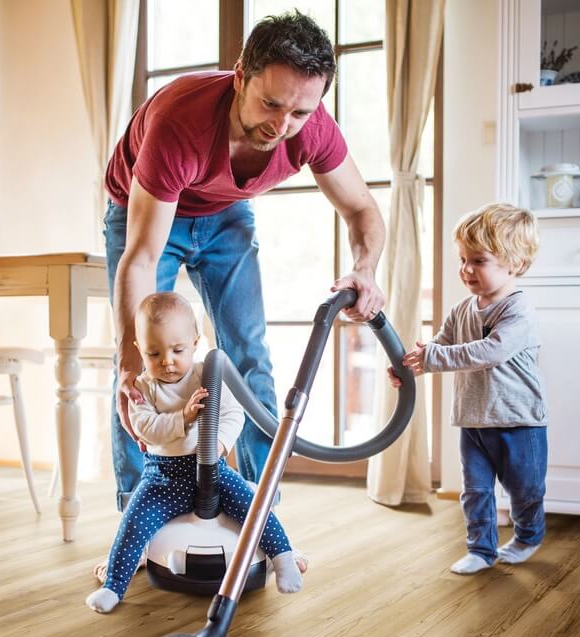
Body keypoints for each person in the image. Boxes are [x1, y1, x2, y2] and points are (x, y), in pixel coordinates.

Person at [104, 10, 386, 506]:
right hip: (145, 215)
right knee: (139, 365)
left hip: (226, 214)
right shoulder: (179, 121)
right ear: (240, 77)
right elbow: (142, 257)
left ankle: (261, 510)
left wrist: (365, 269)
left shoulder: (312, 128)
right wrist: (129, 360)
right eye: (270, 104)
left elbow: (362, 209)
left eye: (299, 113)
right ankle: (138, 511)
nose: (282, 126)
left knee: (250, 357)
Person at [87, 293, 306, 613]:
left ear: (195, 342)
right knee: (133, 522)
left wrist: (218, 444)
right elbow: (145, 428)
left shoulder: (208, 373)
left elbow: (234, 414)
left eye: (178, 350)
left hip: (212, 471)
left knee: (253, 506)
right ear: (139, 350)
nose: (167, 361)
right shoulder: (143, 387)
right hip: (162, 476)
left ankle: (283, 558)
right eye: (153, 352)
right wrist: (183, 418)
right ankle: (114, 587)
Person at [390, 203, 548, 575]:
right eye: (463, 259)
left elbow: (491, 351)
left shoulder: (518, 310)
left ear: (515, 263)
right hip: (473, 420)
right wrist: (411, 366)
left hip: (518, 422)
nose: (466, 269)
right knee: (475, 491)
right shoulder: (462, 309)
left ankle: (528, 536)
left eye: (478, 261)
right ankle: (480, 548)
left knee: (524, 491)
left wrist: (433, 358)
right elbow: (441, 347)